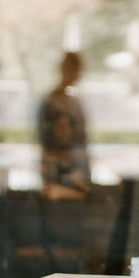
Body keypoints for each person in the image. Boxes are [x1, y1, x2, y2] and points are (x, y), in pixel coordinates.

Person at [38, 51, 90, 190]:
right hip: (58, 176)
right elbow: (46, 147)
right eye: (76, 70)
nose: (78, 75)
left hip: (77, 174)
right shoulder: (52, 103)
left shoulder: (73, 102)